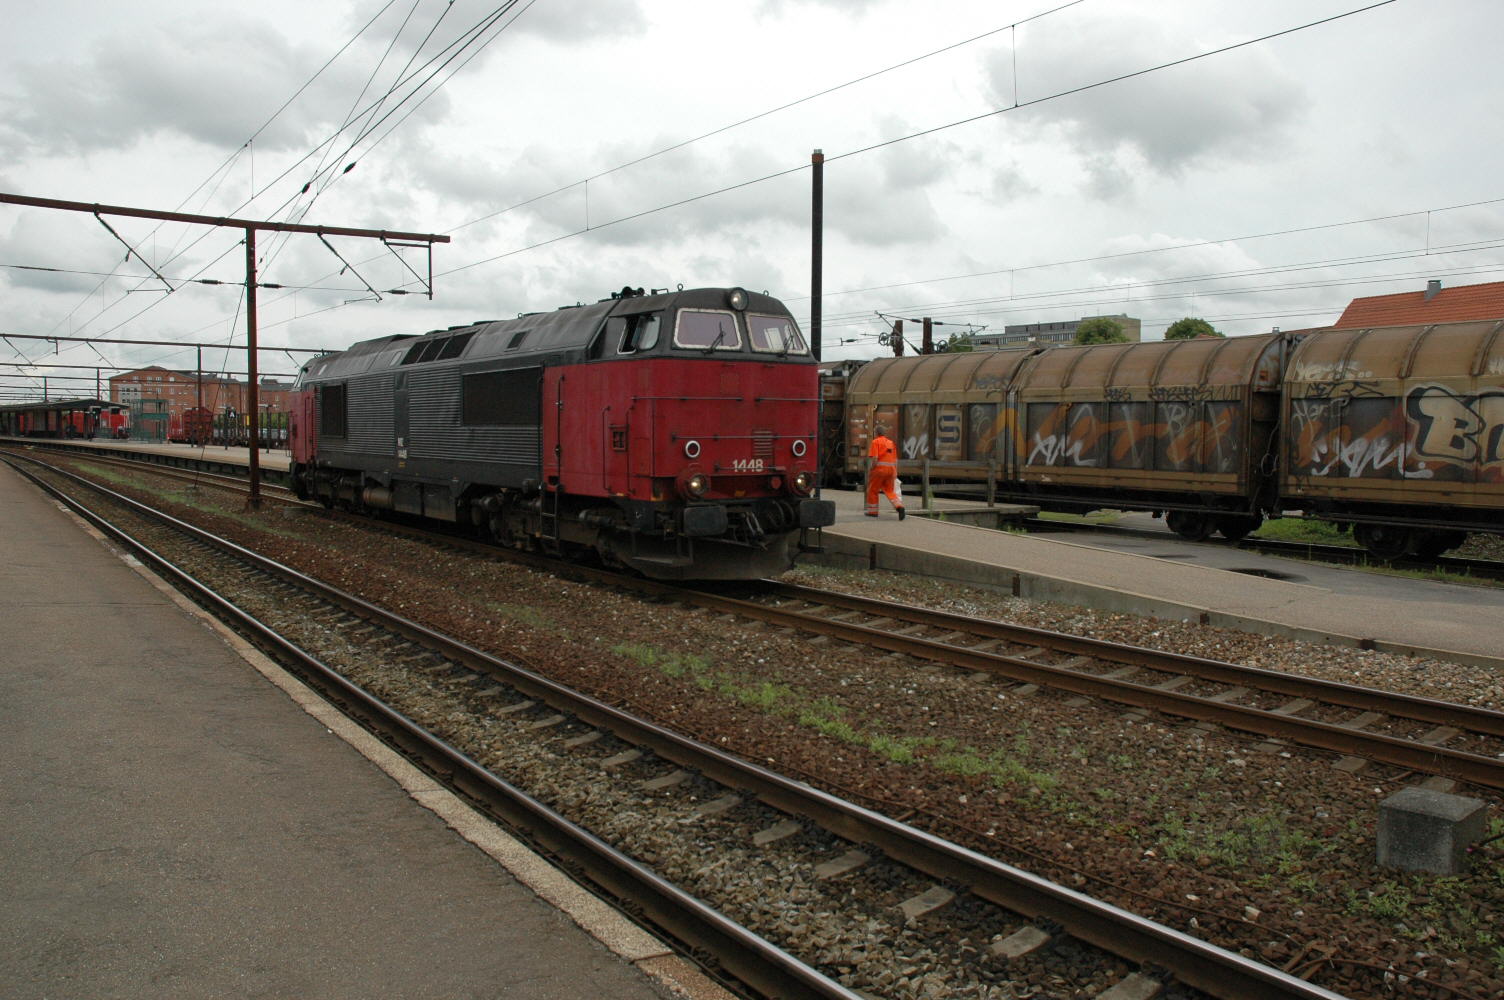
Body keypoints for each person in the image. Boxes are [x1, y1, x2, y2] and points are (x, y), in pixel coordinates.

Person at [864, 423, 905, 519]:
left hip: (879, 470)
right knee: (890, 491)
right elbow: (895, 460)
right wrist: (895, 472)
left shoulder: (875, 442)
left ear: (876, 433)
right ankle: (899, 507)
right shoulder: (891, 443)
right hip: (891, 471)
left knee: (873, 490)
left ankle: (873, 512)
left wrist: (872, 468)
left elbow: (875, 458)